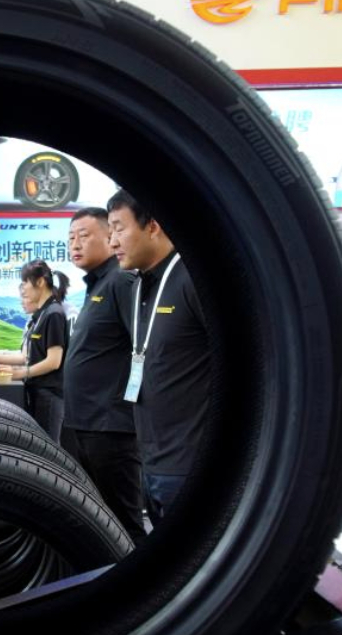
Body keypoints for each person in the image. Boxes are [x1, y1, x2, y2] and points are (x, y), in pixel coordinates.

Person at [106, 189, 208, 521]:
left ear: (153, 225)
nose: (112, 241)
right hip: (151, 463)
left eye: (119, 228)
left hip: (190, 466)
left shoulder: (193, 279)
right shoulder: (139, 285)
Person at [59, 208, 146, 543]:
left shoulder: (121, 281)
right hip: (86, 424)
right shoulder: (97, 285)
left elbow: (143, 346)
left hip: (110, 428)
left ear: (110, 239)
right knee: (98, 522)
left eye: (84, 235)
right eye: (70, 238)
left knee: (123, 523)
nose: (75, 244)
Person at [0, 261, 69, 441]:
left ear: (40, 282)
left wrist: (21, 373)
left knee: (47, 448)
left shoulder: (54, 313)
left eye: (25, 283)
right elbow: (25, 356)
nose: (23, 289)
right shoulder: (41, 315)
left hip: (49, 394)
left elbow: (54, 361)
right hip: (37, 391)